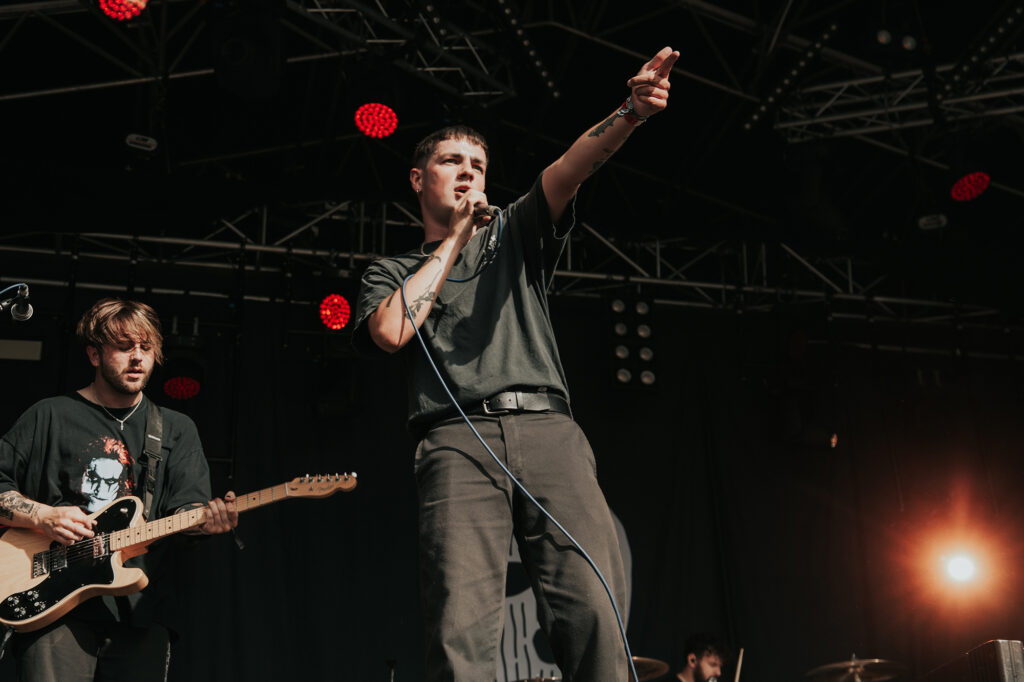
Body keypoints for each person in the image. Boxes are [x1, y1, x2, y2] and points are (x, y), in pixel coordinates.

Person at [353, 46, 679, 680]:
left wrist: (630, 113)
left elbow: (570, 169)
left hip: (548, 431)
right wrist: (452, 241)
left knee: (591, 612)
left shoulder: (517, 231)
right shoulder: (391, 271)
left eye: (478, 164)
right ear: (419, 180)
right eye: (451, 162)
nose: (469, 173)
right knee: (461, 626)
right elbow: (392, 332)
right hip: (455, 441)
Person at [0, 297, 238, 682]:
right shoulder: (50, 415)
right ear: (94, 354)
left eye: (146, 348)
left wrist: (204, 522)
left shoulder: (176, 429)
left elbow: (184, 509)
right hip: (52, 605)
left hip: (142, 610)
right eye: (125, 347)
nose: (138, 358)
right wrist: (42, 515)